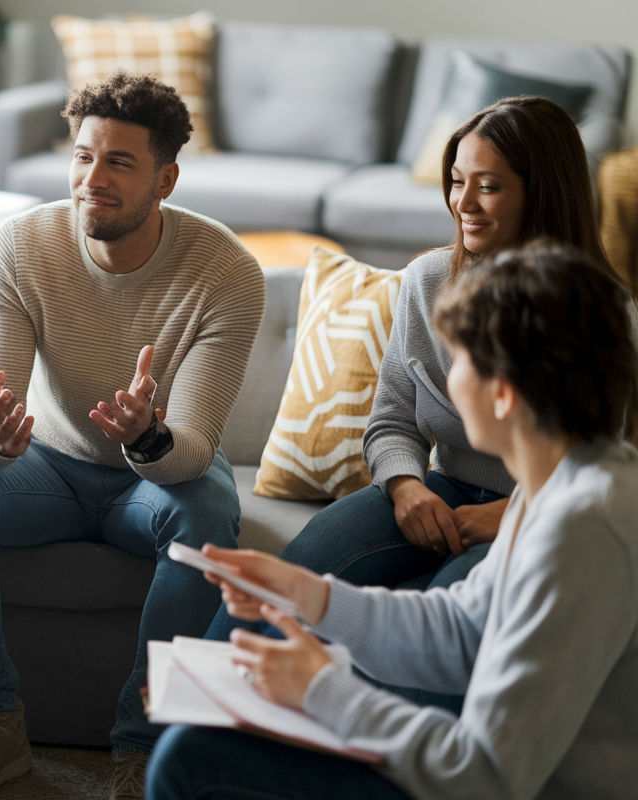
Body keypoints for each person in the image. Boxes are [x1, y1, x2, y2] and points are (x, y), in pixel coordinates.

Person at [147, 241, 638, 799]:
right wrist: (309, 594)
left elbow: (484, 776)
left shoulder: (583, 531)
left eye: (460, 364)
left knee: (192, 760)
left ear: (502, 393)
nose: (448, 383)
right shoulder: (562, 483)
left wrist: (321, 689)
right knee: (202, 744)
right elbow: (459, 630)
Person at [0, 72, 266, 800]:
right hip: (47, 464)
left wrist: (150, 436)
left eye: (118, 163)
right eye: (81, 157)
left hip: (155, 476)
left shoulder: (226, 270)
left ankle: (141, 745)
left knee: (208, 517)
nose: (90, 180)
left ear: (165, 179)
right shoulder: (22, 244)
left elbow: (192, 447)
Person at [205, 96, 611, 709]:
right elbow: (392, 416)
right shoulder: (428, 282)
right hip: (439, 493)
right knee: (284, 581)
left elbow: (607, 468)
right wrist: (405, 486)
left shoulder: (604, 317)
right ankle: (190, 714)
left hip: (538, 516)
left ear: (543, 192)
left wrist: (508, 516)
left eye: (489, 187)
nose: (463, 203)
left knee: (436, 651)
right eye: (455, 182)